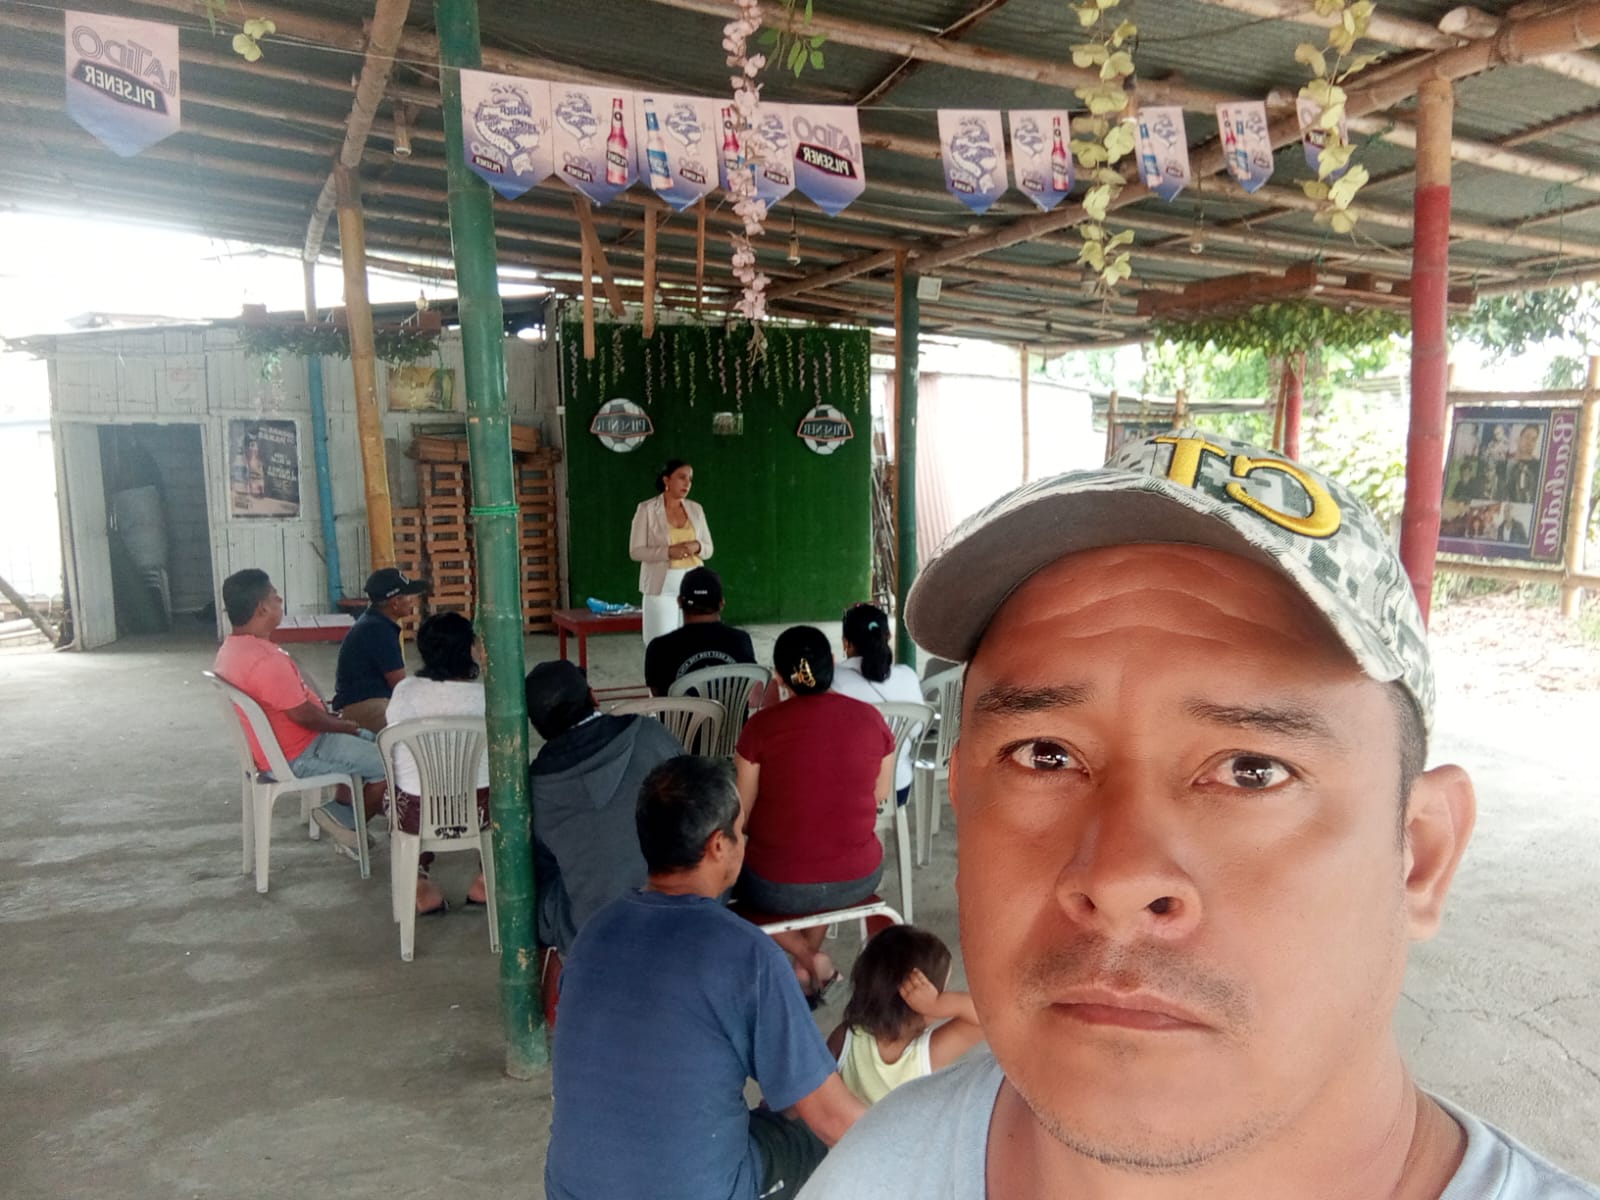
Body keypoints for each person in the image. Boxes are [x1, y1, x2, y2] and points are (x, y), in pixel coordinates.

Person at [799, 430, 1599, 1199]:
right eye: (1045, 755)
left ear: (1419, 857)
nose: (1118, 880)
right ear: (961, 807)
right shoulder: (872, 1172)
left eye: (1253, 771)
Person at [545, 755, 865, 1200]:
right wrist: (915, 1139)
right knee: (816, 1139)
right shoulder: (747, 954)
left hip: (573, 1189)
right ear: (718, 845)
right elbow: (834, 1120)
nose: (744, 841)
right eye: (740, 830)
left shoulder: (594, 933)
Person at [735, 625, 896, 1001]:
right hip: (859, 878)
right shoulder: (871, 718)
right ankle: (806, 965)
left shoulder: (760, 728)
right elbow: (880, 794)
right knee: (821, 872)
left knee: (724, 872)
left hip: (774, 885)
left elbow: (740, 813)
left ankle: (807, 957)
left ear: (778, 676)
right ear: (833, 664)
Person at [212, 568, 385, 854]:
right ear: (262, 608)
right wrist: (343, 725)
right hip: (299, 752)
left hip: (278, 749)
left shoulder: (231, 649)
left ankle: (342, 813)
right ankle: (347, 825)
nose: (280, 601)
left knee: (369, 740)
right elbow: (303, 716)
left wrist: (340, 724)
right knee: (389, 762)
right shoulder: (266, 660)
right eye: (275, 596)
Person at [526, 659, 684, 956]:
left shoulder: (536, 784)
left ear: (538, 727)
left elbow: (542, 866)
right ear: (594, 696)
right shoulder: (650, 735)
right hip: (676, 911)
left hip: (587, 933)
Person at [383, 612, 489, 915]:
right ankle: (486, 880)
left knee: (401, 784)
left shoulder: (404, 691)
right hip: (479, 810)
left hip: (414, 812)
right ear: (470, 649)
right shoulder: (486, 699)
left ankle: (418, 881)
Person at [826, 925, 985, 1107]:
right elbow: (987, 1019)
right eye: (942, 993)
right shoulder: (927, 1053)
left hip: (849, 1124)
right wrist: (937, 1005)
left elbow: (821, 1087)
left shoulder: (845, 1036)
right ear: (920, 1006)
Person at [829, 602, 925, 807]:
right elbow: (917, 730)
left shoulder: (831, 681)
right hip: (898, 787)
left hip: (847, 794)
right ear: (888, 636)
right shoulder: (907, 676)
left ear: (845, 642)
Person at [332, 567, 430, 732]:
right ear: (395, 602)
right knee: (421, 726)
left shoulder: (373, 622)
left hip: (362, 702)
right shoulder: (379, 630)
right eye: (408, 595)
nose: (413, 600)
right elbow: (399, 685)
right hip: (366, 707)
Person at [630, 457, 714, 646]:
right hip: (661, 587)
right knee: (660, 644)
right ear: (666, 480)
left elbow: (709, 548)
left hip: (695, 585)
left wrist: (697, 546)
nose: (687, 483)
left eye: (690, 479)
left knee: (694, 643)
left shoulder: (696, 509)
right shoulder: (646, 509)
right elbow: (636, 551)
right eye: (682, 477)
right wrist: (668, 552)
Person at [644, 566, 757, 697]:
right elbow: (752, 689)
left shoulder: (659, 648)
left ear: (679, 602)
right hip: (731, 712)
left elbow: (657, 696)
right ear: (721, 603)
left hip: (678, 711)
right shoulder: (741, 641)